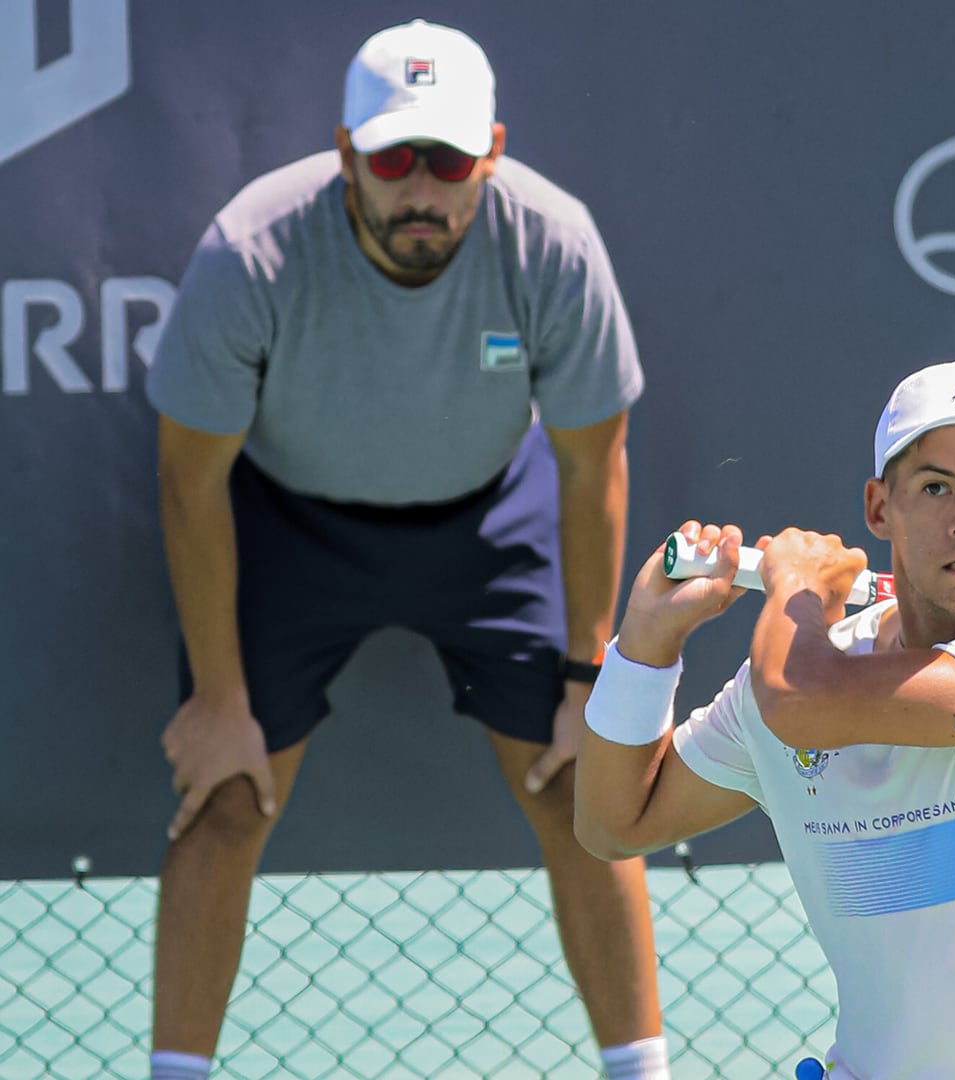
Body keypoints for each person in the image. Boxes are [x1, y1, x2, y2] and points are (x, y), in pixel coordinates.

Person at [144, 21, 668, 1080]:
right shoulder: (251, 250)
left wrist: (586, 677)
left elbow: (590, 463)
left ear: (493, 152)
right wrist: (217, 700)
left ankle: (642, 1073)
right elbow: (190, 482)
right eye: (393, 159)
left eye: (448, 159)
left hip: (493, 516)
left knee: (584, 793)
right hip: (286, 527)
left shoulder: (552, 242)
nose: (421, 188)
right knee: (226, 800)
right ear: (346, 153)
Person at [574, 359, 955, 1079]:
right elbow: (613, 823)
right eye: (936, 486)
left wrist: (794, 591)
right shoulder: (795, 670)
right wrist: (643, 647)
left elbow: (801, 701)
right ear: (880, 507)